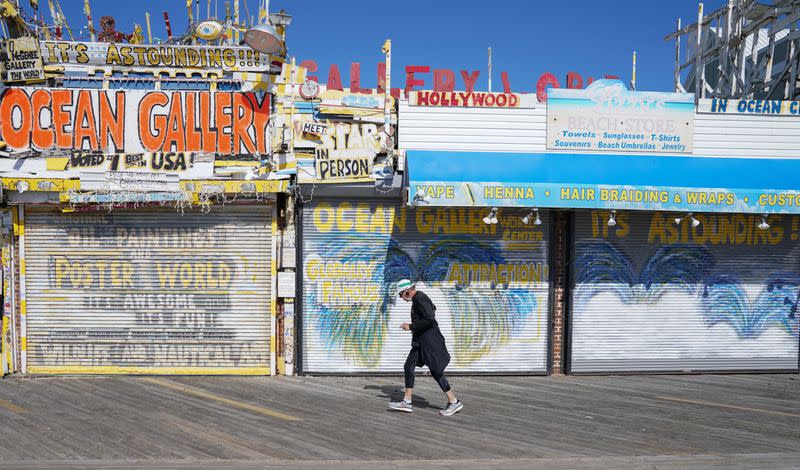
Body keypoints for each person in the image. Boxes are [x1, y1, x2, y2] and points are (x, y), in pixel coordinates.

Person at [388, 279, 463, 416]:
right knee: (409, 366)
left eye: (401, 294)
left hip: (429, 342)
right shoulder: (420, 297)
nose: (400, 298)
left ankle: (454, 401)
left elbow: (430, 319)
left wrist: (411, 326)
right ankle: (407, 401)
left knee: (436, 370)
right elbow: (433, 308)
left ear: (407, 291)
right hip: (421, 341)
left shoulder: (419, 299)